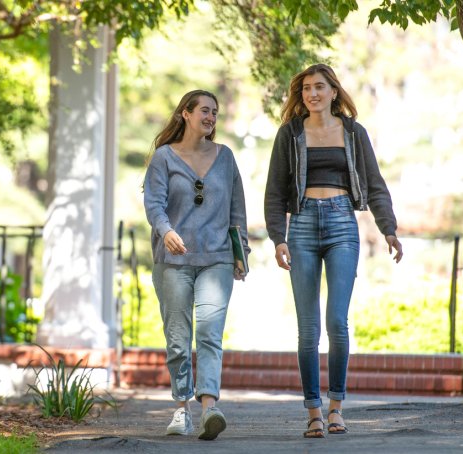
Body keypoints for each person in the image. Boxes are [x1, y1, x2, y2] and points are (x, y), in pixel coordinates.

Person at [264, 64, 403, 438]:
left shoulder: (354, 133)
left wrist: (387, 228)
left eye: (319, 87)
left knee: (336, 322)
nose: (312, 93)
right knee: (307, 329)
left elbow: (374, 183)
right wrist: (279, 237)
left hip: (343, 223)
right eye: (307, 88)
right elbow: (275, 191)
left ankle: (337, 406)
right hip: (303, 225)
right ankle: (313, 411)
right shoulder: (290, 133)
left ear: (334, 92)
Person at [144, 89, 250, 441]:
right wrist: (166, 230)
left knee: (209, 333)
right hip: (173, 259)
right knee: (177, 338)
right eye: (204, 110)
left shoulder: (226, 157)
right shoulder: (163, 157)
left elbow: (237, 210)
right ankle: (181, 408)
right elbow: (154, 203)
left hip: (217, 258)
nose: (210, 117)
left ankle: (209, 409)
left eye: (215, 113)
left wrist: (241, 252)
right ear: (185, 114)